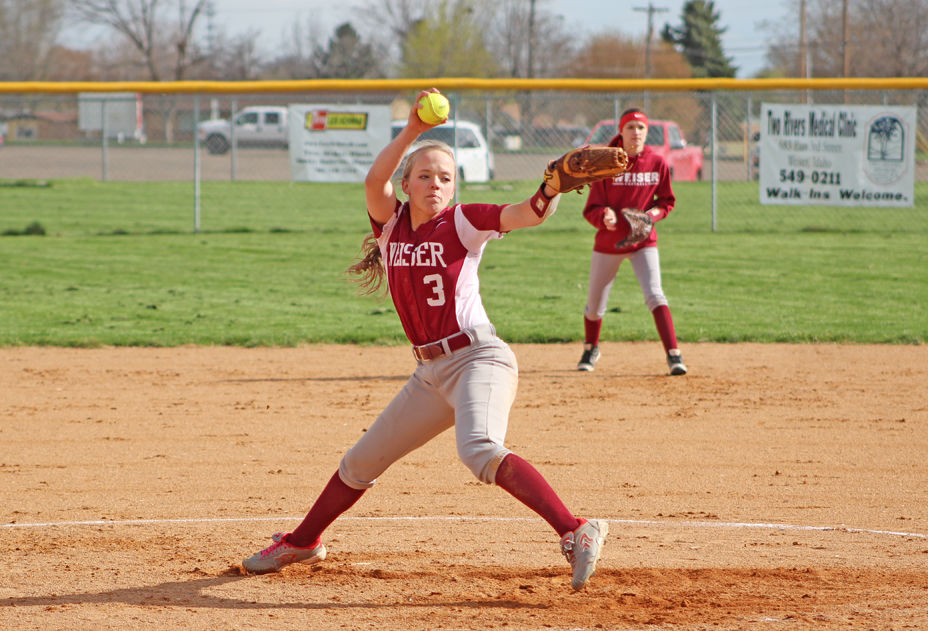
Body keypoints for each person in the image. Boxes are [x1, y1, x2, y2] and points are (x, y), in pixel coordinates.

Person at [241, 89, 608, 591]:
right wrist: (413, 130)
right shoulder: (390, 227)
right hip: (430, 374)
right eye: (425, 175)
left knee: (479, 449)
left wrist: (551, 189)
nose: (436, 184)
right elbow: (374, 180)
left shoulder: (462, 221)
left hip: (479, 358)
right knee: (361, 462)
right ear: (407, 184)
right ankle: (303, 541)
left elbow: (527, 213)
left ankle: (576, 530)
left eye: (445, 177)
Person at [576, 108, 687, 376]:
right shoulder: (607, 162)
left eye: (640, 128)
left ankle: (674, 354)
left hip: (643, 241)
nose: (635, 133)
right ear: (621, 132)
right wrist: (604, 215)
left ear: (647, 133)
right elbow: (591, 209)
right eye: (630, 128)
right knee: (595, 305)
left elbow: (666, 202)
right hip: (609, 243)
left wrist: (652, 215)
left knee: (655, 294)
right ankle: (591, 348)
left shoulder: (657, 163)